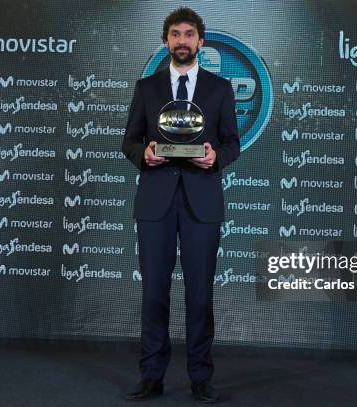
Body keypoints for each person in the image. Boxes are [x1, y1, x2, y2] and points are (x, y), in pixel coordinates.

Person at [121, 7, 240, 403]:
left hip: (201, 201)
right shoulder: (146, 88)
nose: (183, 40)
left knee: (200, 295)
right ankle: (151, 376)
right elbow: (129, 141)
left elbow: (231, 143)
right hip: (155, 201)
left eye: (190, 34)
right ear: (166, 41)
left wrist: (214, 158)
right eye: (176, 34)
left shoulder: (220, 89)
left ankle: (200, 378)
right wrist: (145, 153)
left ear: (201, 42)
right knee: (154, 292)